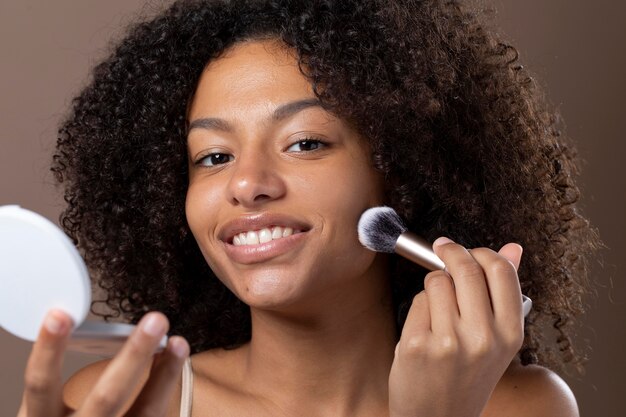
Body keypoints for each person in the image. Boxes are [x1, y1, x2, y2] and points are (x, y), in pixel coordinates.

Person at [17, 0, 599, 416]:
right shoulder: (125, 402)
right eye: (214, 156)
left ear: (398, 171)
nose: (247, 184)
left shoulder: (521, 407)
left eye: (305, 143)